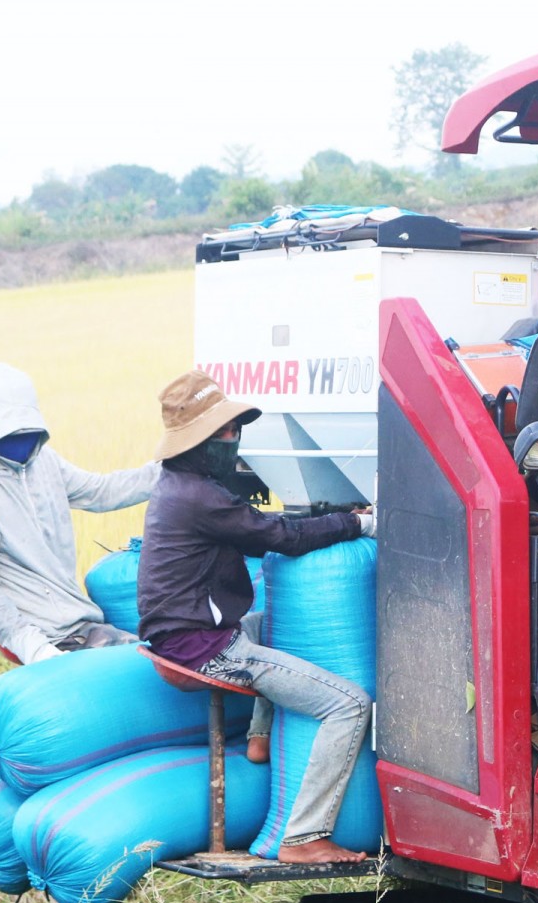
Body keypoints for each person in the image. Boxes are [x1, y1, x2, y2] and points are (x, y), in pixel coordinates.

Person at [136, 370, 375, 865]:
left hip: (183, 639)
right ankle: (304, 836)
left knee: (274, 623)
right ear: (199, 441)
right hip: (206, 649)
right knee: (349, 704)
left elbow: (260, 531)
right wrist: (358, 523)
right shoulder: (200, 497)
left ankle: (260, 737)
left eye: (235, 428)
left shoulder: (179, 486)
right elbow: (281, 537)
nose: (234, 437)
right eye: (224, 431)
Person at [0, 363, 160, 665]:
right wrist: (34, 647)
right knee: (147, 668)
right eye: (8, 432)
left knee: (164, 654)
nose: (20, 439)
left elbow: (100, 491)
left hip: (80, 623)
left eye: (26, 430)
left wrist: (170, 470)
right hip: (45, 635)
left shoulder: (43, 461)